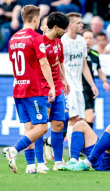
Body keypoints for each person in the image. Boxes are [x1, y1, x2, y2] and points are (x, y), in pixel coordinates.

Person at [3, 5, 55, 174]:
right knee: (42, 128)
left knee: (29, 128)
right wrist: (52, 86)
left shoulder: (13, 38)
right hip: (33, 89)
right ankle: (14, 150)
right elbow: (44, 63)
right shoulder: (36, 37)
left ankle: (31, 166)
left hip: (18, 88)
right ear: (35, 19)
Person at [34, 12, 70, 172]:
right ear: (55, 27)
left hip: (57, 88)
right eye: (64, 29)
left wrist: (64, 79)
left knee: (59, 124)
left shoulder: (58, 43)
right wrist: (50, 87)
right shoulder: (39, 42)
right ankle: (40, 162)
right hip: (43, 89)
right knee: (41, 127)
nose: (65, 32)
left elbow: (58, 63)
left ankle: (58, 161)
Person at [61, 12, 99, 155]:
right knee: (73, 119)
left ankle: (76, 153)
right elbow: (58, 64)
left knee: (81, 120)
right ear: (70, 25)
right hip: (67, 86)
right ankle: (73, 155)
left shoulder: (82, 42)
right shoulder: (62, 41)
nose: (82, 25)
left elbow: (84, 66)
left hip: (79, 86)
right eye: (79, 23)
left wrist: (92, 85)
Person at [82, 29, 110, 128]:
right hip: (81, 88)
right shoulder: (78, 53)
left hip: (91, 88)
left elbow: (99, 70)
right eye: (86, 38)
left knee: (87, 118)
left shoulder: (95, 54)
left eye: (90, 38)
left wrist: (105, 81)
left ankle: (85, 140)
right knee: (89, 117)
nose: (88, 40)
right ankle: (88, 140)